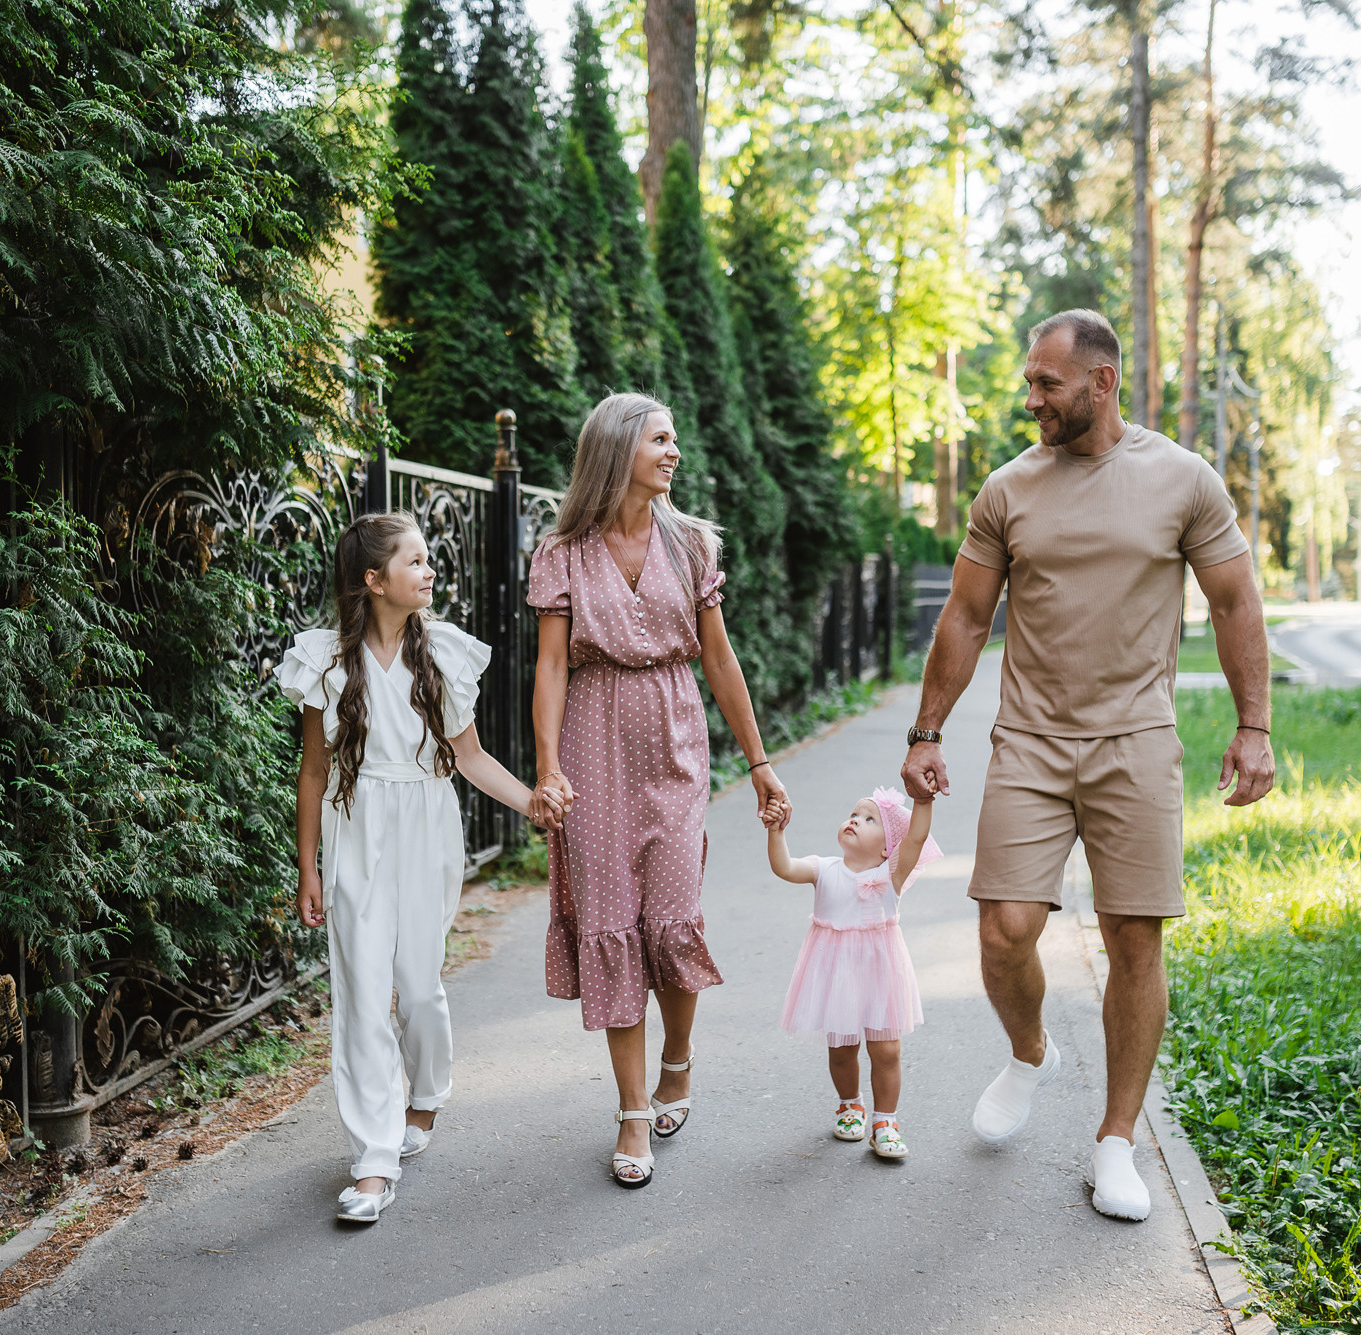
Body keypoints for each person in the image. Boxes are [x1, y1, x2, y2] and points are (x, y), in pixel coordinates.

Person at [900, 309, 1276, 1222]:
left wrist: (1254, 725)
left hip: (1137, 742)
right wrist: (926, 730)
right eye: (1030, 381)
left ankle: (1115, 1141)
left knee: (1133, 940)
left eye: (1047, 384)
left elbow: (1232, 598)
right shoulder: (1008, 489)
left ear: (1102, 383)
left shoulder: (1182, 480)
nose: (1031, 399)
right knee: (1003, 929)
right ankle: (1030, 1051)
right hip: (1029, 739)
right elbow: (964, 615)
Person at [529, 392, 791, 1189]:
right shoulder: (563, 552)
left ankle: (678, 1061)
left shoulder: (692, 545)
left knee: (673, 921)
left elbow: (719, 659)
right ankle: (632, 1111)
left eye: (675, 438)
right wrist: (547, 765)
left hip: (675, 736)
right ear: (616, 451)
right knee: (611, 922)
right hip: (594, 738)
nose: (675, 452)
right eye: (660, 439)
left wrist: (758, 760)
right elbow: (549, 665)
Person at [278, 513, 557, 1224]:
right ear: (374, 581)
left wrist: (533, 803)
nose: (430, 571)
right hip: (354, 829)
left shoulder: (446, 656)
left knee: (419, 989)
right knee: (364, 996)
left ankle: (425, 1095)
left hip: (425, 830)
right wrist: (308, 866)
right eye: (415, 561)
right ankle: (373, 1161)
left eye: (430, 559)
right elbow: (313, 770)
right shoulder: (325, 662)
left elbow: (470, 758)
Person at [766, 787, 939, 1160]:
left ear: (886, 848)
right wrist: (776, 832)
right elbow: (784, 867)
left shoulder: (890, 874)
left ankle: (885, 1122)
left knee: (887, 1051)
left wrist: (923, 801)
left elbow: (918, 835)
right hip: (836, 973)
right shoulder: (824, 868)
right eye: (854, 814)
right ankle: (850, 1105)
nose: (855, 821)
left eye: (869, 819)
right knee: (842, 1048)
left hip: (881, 973)